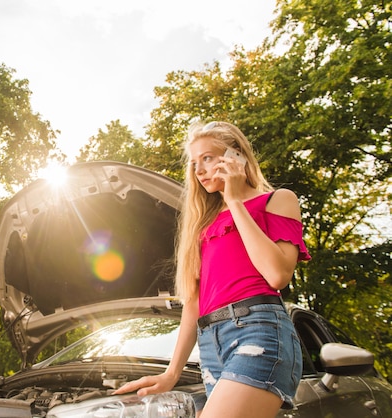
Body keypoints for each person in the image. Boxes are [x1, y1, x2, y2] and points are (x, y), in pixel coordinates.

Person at [113, 121, 310, 418]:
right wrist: (171, 373)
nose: (199, 170)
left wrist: (234, 200)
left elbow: (277, 274)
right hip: (210, 347)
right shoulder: (202, 226)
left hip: (258, 331)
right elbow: (193, 304)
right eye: (194, 163)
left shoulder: (277, 200)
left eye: (207, 158)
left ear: (237, 156)